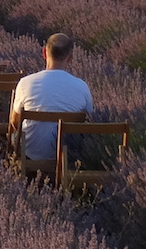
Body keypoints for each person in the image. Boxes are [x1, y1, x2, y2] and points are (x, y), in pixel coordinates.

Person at [11, 33, 96, 169]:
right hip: (67, 153)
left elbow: (14, 122)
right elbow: (88, 125)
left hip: (30, 151)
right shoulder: (82, 87)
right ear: (70, 58)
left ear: (44, 53)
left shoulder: (25, 83)